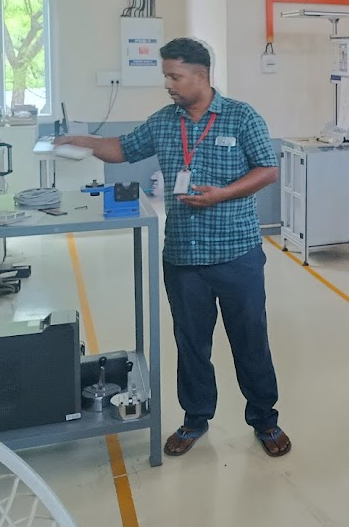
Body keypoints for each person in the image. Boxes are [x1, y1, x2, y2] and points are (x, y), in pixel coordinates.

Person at [57, 38, 289, 459]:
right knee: (191, 344)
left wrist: (222, 195)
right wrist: (83, 141)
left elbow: (268, 169)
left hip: (237, 253)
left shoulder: (240, 117)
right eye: (166, 75)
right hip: (184, 257)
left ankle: (265, 419)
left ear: (202, 75)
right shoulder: (165, 122)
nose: (168, 84)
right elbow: (122, 149)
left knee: (250, 339)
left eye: (174, 76)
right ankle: (195, 418)